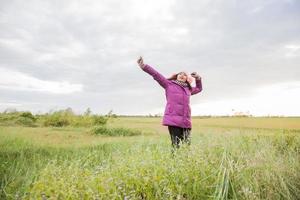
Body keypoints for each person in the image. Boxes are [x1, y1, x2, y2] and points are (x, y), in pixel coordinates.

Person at [137, 56, 203, 152]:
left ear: (187, 79)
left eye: (184, 75)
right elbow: (156, 74)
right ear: (176, 76)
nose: (182, 75)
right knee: (176, 145)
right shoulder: (168, 84)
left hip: (186, 121)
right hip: (173, 121)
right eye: (180, 74)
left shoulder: (188, 89)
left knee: (187, 145)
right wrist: (144, 66)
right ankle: (174, 164)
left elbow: (199, 88)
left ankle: (185, 163)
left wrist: (198, 78)